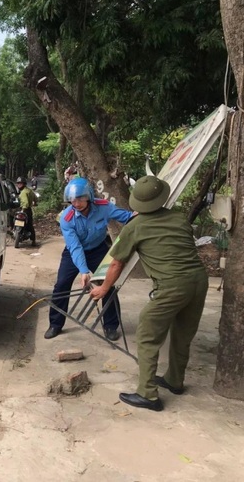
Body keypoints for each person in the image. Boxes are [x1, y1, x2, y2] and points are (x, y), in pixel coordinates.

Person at [90, 176, 208, 412]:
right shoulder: (178, 217)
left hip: (172, 285)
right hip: (198, 280)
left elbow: (116, 264)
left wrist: (103, 289)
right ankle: (175, 381)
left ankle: (148, 394)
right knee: (182, 334)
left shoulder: (136, 226)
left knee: (146, 334)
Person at [45, 177, 135, 340]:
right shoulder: (67, 218)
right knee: (61, 285)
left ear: (89, 197)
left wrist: (142, 215)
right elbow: (75, 247)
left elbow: (127, 217)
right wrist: (83, 270)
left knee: (108, 284)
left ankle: (111, 326)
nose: (76, 203)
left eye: (80, 198)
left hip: (98, 249)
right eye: (73, 199)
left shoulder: (104, 207)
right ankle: (55, 324)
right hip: (74, 253)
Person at [15, 176, 37, 247]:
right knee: (30, 225)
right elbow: (35, 198)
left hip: (24, 210)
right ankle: (33, 240)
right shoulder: (29, 191)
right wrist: (35, 203)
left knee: (29, 225)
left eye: (20, 184)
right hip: (28, 210)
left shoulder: (23, 193)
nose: (19, 185)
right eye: (18, 184)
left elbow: (25, 203)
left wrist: (23, 210)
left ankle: (33, 240)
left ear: (24, 184)